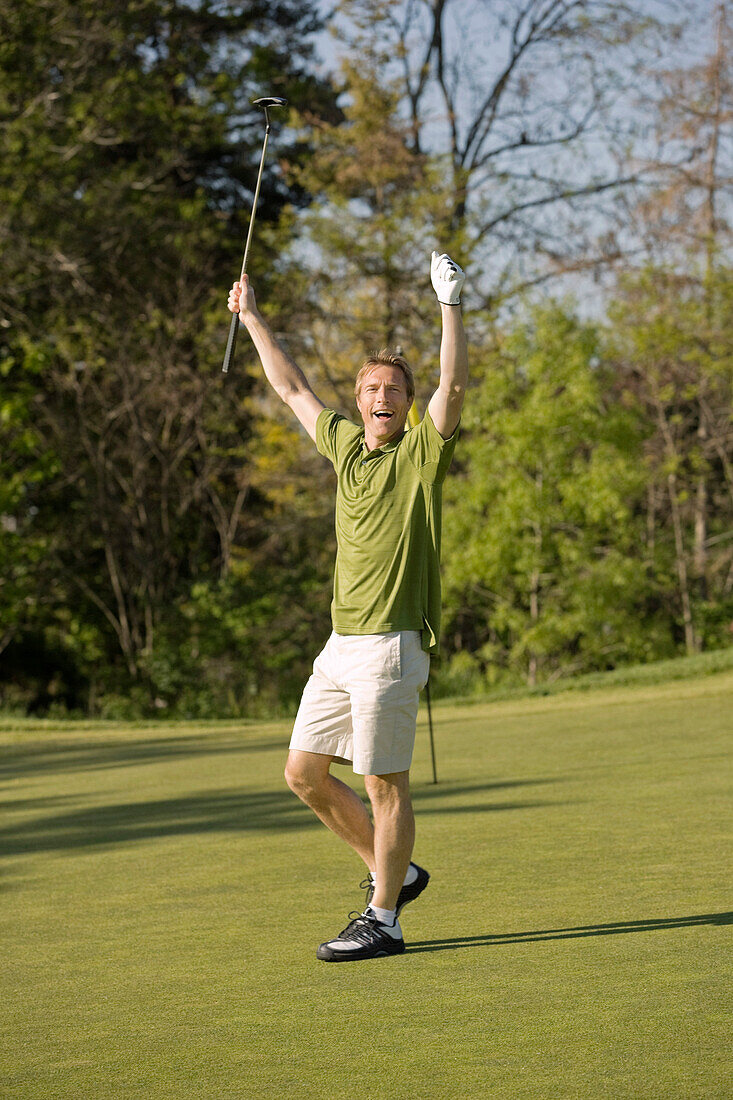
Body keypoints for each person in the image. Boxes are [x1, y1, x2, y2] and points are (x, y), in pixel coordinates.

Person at [227, 252, 468, 961]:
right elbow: (293, 387)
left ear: (404, 401)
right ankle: (397, 873)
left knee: (381, 783)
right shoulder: (344, 448)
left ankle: (384, 918)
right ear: (359, 399)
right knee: (302, 774)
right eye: (370, 388)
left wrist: (450, 306)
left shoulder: (420, 455)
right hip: (339, 647)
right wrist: (252, 318)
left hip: (391, 645)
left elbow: (451, 387)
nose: (380, 397)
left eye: (392, 388)